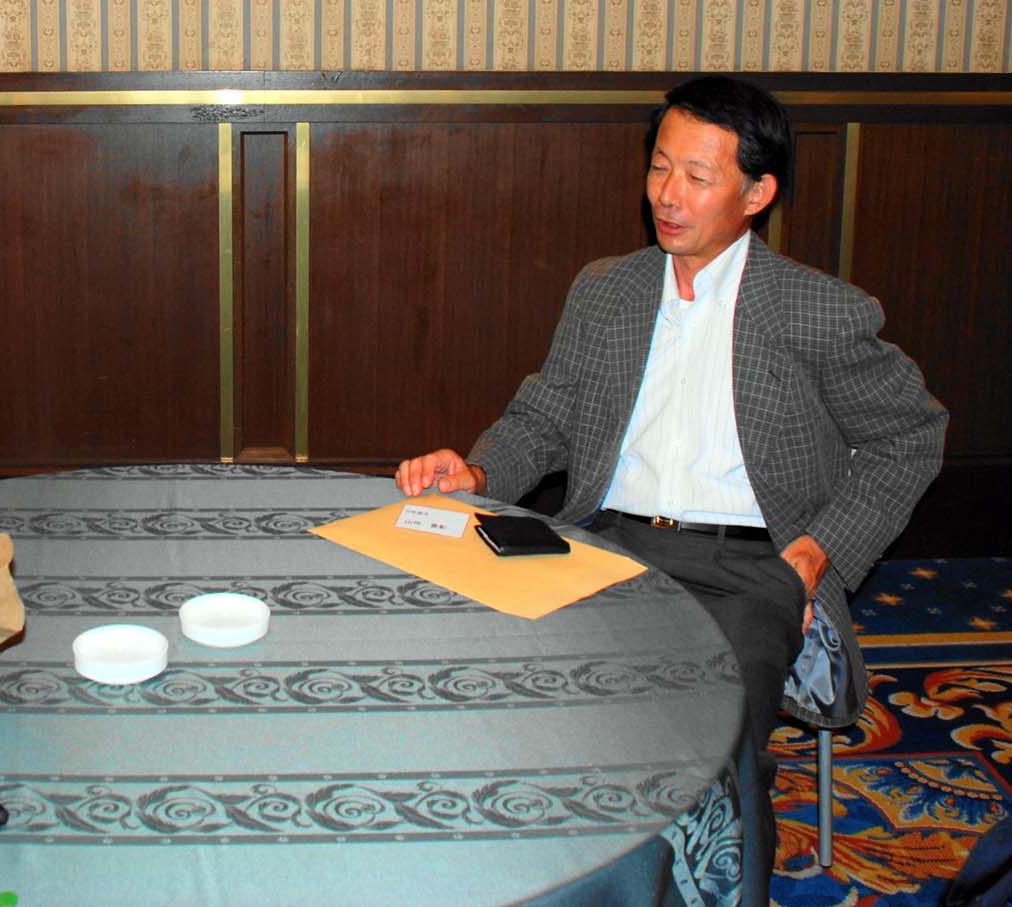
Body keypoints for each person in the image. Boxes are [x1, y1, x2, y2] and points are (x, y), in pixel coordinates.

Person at [396, 76, 947, 868]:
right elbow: (544, 419)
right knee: (497, 686)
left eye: (697, 175)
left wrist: (815, 554)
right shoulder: (607, 289)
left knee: (708, 743)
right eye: (659, 167)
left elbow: (911, 436)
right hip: (603, 547)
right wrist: (477, 470)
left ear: (756, 193)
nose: (667, 194)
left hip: (750, 566)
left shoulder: (816, 309)